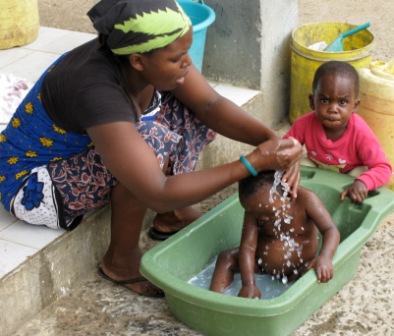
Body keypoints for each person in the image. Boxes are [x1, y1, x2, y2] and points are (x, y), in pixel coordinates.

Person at [0, 0, 302, 297]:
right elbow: (155, 192)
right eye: (178, 58)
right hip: (33, 184)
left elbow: (210, 104)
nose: (188, 63)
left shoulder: (145, 55)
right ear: (138, 61)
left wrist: (271, 142)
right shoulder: (96, 90)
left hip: (87, 150)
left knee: (188, 108)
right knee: (149, 142)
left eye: (187, 52)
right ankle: (120, 260)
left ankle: (172, 216)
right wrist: (253, 163)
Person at [209, 170, 340, 299]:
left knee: (316, 271)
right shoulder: (256, 208)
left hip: (300, 269)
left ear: (289, 194)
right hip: (261, 265)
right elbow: (248, 247)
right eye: (256, 214)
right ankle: (214, 302)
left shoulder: (306, 200)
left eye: (269, 214)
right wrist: (248, 284)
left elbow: (330, 230)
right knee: (226, 257)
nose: (262, 218)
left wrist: (325, 257)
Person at [284, 60, 392, 204]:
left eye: (342, 102)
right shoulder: (304, 123)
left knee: (362, 174)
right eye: (324, 100)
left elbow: (383, 168)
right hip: (317, 169)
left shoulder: (360, 131)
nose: (333, 109)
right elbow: (283, 148)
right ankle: (301, 201)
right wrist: (289, 163)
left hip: (348, 176)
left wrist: (363, 183)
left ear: (355, 106)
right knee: (295, 166)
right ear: (312, 101)